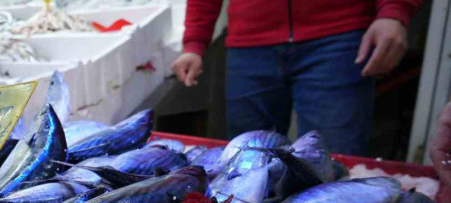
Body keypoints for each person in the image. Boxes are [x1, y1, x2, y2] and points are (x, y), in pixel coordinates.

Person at [171, 0, 421, 156]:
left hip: (338, 37)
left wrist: (394, 11)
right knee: (246, 160)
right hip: (249, 43)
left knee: (332, 161)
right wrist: (194, 43)